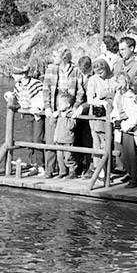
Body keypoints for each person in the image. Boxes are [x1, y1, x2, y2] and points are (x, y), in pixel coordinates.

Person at [43, 46, 86, 178]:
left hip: (68, 108)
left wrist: (76, 105)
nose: (53, 58)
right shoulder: (51, 69)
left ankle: (68, 170)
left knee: (67, 139)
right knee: (51, 140)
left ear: (63, 57)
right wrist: (47, 107)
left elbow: (80, 90)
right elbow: (46, 89)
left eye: (55, 56)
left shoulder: (76, 71)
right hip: (55, 107)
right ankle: (49, 169)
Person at [6, 65, 46, 176]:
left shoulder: (36, 84)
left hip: (37, 115)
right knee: (29, 140)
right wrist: (10, 97)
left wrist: (37, 106)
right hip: (27, 115)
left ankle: (41, 165)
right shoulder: (17, 86)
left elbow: (43, 98)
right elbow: (19, 100)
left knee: (37, 139)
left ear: (23, 74)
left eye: (15, 74)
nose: (13, 76)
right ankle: (32, 164)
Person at [111, 73, 137, 187]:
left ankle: (134, 178)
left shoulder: (130, 96)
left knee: (131, 155)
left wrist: (126, 125)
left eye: (121, 82)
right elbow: (115, 110)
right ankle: (129, 173)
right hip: (120, 126)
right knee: (121, 154)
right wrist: (115, 119)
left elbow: (136, 116)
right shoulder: (118, 95)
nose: (118, 84)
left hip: (129, 129)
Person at [85, 58, 114, 178]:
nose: (100, 75)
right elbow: (90, 99)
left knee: (108, 142)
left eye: (101, 72)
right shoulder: (93, 80)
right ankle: (99, 169)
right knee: (98, 142)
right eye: (97, 72)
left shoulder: (111, 78)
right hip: (98, 113)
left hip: (110, 112)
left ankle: (107, 168)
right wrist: (102, 102)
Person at [51, 91, 78, 178]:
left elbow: (71, 126)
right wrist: (54, 117)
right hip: (58, 139)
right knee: (60, 157)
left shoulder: (71, 114)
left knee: (68, 157)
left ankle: (72, 171)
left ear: (68, 105)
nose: (59, 105)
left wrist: (65, 117)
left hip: (67, 139)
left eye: (61, 103)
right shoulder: (59, 113)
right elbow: (51, 124)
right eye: (59, 103)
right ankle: (62, 172)